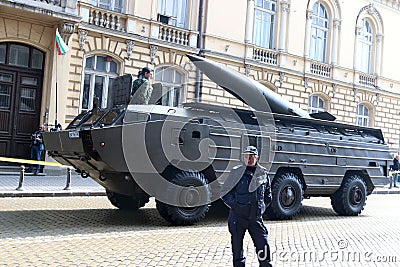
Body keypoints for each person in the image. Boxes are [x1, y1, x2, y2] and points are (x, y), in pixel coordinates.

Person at [221, 146, 273, 267]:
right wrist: (236, 206)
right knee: (237, 247)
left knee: (262, 244)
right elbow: (225, 192)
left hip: (255, 218)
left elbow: (268, 195)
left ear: (257, 158)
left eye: (251, 156)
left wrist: (261, 208)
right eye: (246, 156)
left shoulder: (263, 173)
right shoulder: (236, 172)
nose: (248, 159)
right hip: (238, 217)